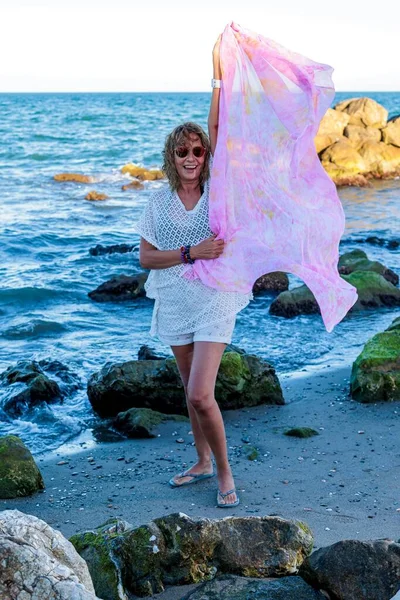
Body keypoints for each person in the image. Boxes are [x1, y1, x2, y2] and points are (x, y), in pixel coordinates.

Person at [137, 37, 252, 508]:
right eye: (182, 151)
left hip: (216, 298)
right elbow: (146, 258)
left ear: (207, 157)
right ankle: (201, 461)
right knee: (189, 390)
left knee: (202, 393)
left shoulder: (218, 189)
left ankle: (225, 473)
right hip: (175, 299)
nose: (190, 157)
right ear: (172, 156)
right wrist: (191, 251)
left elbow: (217, 123)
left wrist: (218, 72)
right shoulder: (158, 203)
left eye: (198, 151)